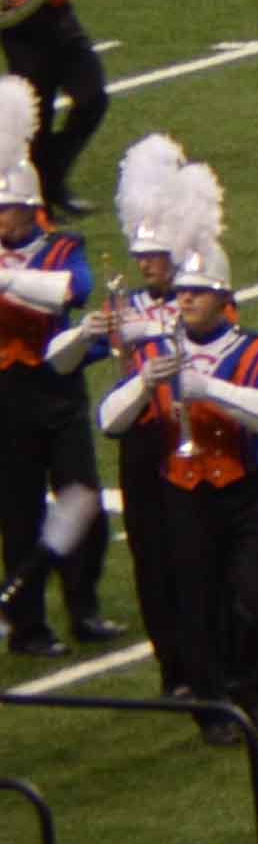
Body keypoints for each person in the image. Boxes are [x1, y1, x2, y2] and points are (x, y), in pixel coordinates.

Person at [108, 151, 258, 725]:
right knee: (198, 601)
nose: (183, 299)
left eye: (197, 292)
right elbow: (110, 419)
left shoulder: (257, 349)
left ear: (222, 297)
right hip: (183, 490)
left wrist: (208, 388)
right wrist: (144, 385)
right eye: (181, 292)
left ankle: (256, 694)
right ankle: (213, 707)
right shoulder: (157, 347)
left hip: (243, 486)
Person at [0, 84, 118, 656]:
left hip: (58, 385)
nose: (4, 220)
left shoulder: (61, 248)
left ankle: (84, 605)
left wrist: (6, 280)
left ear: (31, 208)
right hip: (6, 394)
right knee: (18, 511)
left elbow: (68, 293)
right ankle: (28, 624)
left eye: (10, 210)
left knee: (82, 498)